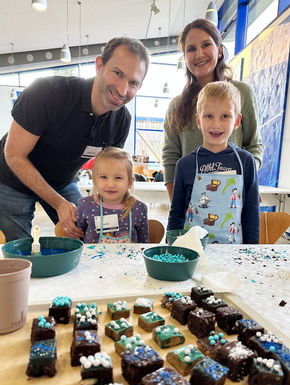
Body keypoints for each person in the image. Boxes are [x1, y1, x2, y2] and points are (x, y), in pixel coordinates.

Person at [0, 37, 149, 242]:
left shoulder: (122, 120)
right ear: (99, 65)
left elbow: (110, 170)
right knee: (20, 250)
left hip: (63, 181)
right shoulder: (47, 92)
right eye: (117, 73)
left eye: (133, 83)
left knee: (86, 235)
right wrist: (59, 203)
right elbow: (14, 154)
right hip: (11, 178)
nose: (123, 90)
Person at [162, 18, 264, 201]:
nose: (199, 54)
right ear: (185, 57)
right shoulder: (176, 107)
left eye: (206, 45)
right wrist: (176, 204)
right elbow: (171, 158)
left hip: (233, 201)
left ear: (219, 50)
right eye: (191, 49)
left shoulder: (242, 93)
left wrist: (248, 179)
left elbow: (254, 146)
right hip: (191, 203)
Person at [167, 81, 260, 244]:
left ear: (237, 121)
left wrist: (250, 252)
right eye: (208, 116)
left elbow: (251, 214)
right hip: (193, 252)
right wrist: (172, 248)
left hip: (233, 253)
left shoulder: (246, 162)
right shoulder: (185, 165)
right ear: (198, 121)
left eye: (225, 116)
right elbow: (176, 215)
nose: (216, 124)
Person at [77, 147, 149, 243]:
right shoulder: (85, 205)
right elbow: (78, 239)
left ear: (130, 182)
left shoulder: (138, 208)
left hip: (128, 258)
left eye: (118, 178)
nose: (110, 184)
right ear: (94, 180)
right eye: (103, 177)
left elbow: (144, 244)